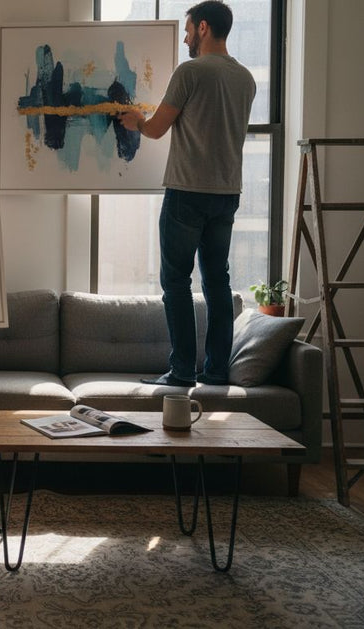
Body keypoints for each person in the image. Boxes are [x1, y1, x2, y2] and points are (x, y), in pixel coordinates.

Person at [117, 0, 255, 387]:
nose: (186, 36)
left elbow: (157, 129)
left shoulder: (190, 72)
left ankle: (181, 372)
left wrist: (136, 120)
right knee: (217, 282)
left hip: (186, 193)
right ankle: (215, 371)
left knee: (176, 282)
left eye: (189, 28)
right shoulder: (246, 78)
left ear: (205, 28)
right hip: (227, 193)